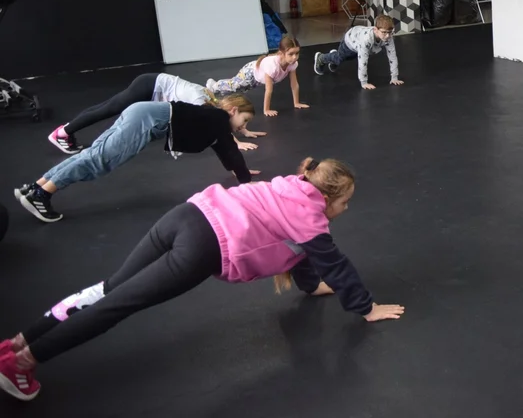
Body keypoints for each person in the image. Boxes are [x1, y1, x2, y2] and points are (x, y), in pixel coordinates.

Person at [0, 158, 405, 403]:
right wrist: (366, 307)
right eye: (345, 200)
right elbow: (336, 265)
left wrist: (311, 287)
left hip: (184, 215)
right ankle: (23, 362)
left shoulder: (291, 187)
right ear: (329, 197)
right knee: (119, 304)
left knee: (109, 289)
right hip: (202, 245)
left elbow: (298, 253)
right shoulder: (312, 219)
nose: (346, 208)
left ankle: (21, 341)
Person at [13, 96, 258, 223]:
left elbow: (224, 151)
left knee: (92, 155)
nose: (243, 127)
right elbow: (230, 149)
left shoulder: (213, 122)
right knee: (99, 161)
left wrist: (238, 173)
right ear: (233, 111)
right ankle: (41, 195)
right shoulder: (218, 119)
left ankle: (36, 187)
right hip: (149, 120)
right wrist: (246, 183)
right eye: (244, 120)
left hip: (143, 112)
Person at [46, 72, 265, 155]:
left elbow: (223, 120)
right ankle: (63, 132)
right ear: (232, 110)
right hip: (150, 85)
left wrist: (243, 130)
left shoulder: (215, 102)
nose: (240, 123)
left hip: (151, 83)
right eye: (242, 119)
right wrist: (236, 142)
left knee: (108, 107)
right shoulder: (203, 103)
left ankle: (66, 131)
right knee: (109, 109)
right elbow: (218, 128)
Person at [207, 36, 309, 117]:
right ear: (282, 53)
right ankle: (214, 85)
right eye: (291, 54)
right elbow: (269, 90)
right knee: (234, 86)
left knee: (238, 90)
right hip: (250, 72)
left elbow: (294, 84)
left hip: (258, 80)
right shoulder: (272, 66)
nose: (295, 57)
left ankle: (217, 88)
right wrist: (266, 110)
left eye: (297, 53)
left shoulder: (292, 64)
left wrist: (296, 103)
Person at [313, 15, 403, 90]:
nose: (387, 36)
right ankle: (321, 58)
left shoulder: (388, 37)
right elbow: (363, 61)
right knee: (340, 58)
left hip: (358, 42)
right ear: (375, 30)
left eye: (390, 32)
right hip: (350, 39)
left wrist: (394, 77)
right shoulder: (366, 40)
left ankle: (335, 56)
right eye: (384, 32)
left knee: (350, 57)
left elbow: (392, 56)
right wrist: (364, 82)